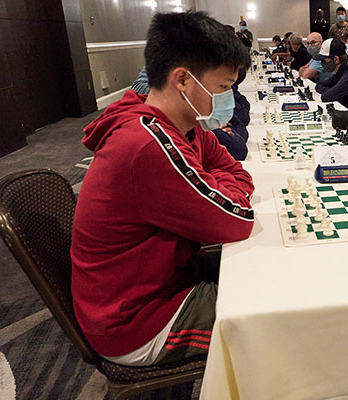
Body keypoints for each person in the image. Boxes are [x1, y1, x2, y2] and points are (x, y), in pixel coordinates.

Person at [71, 11, 254, 367]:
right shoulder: (147, 145)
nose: (227, 97)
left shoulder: (183, 125)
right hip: (139, 320)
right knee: (271, 316)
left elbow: (233, 169)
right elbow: (236, 219)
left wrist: (218, 184)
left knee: (268, 266)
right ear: (183, 80)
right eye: (222, 86)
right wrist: (222, 187)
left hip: (165, 278)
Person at [131, 65, 251, 160]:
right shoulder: (153, 143)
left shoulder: (197, 127)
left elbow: (235, 158)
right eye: (223, 86)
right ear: (182, 80)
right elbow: (237, 149)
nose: (227, 94)